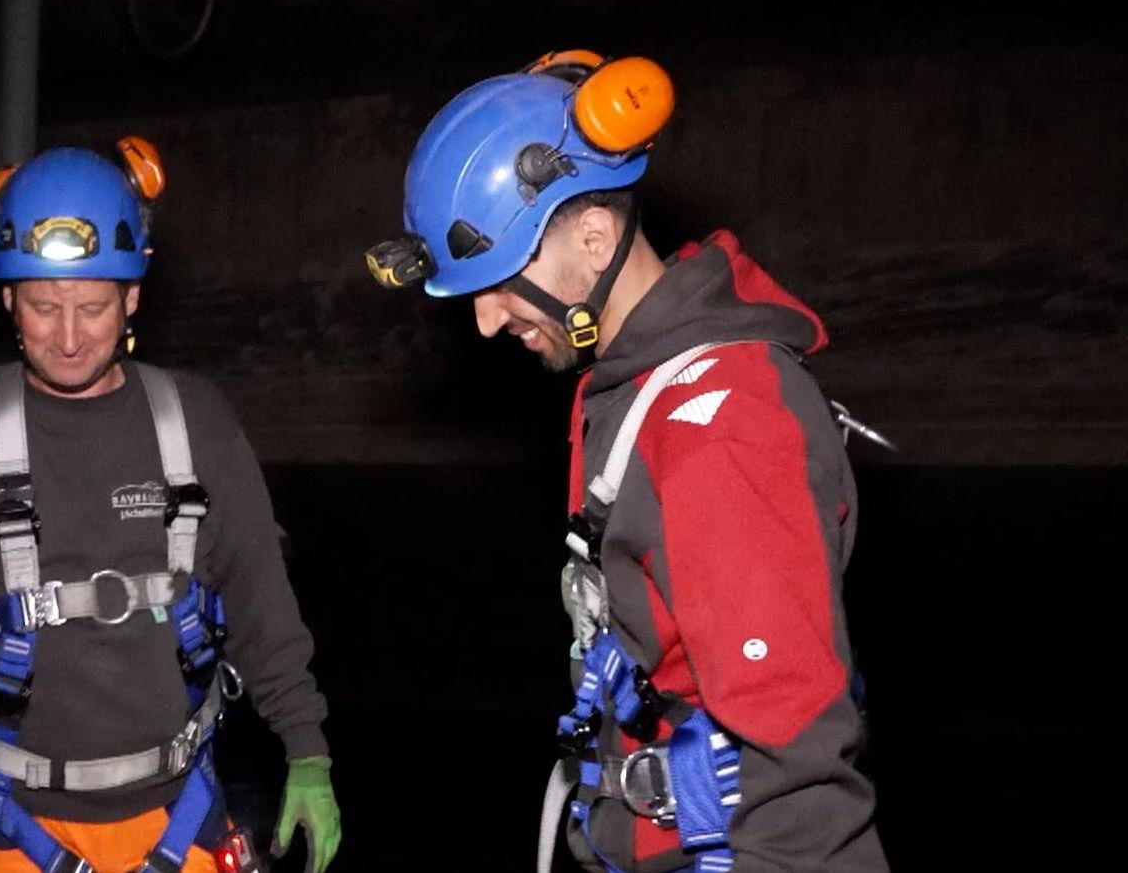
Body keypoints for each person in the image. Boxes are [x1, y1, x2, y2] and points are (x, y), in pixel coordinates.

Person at [365, 50, 887, 872]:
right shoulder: (626, 382)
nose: (485, 322)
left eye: (499, 282)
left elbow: (800, 786)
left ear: (594, 235)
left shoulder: (720, 426)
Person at [0, 140, 342, 873]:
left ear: (133, 295)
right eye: (44, 306)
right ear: (8, 297)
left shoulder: (196, 421)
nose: (69, 337)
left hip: (181, 817)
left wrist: (308, 749)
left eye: (93, 307)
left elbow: (259, 596)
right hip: (4, 825)